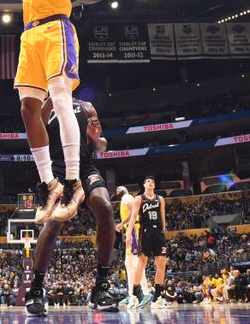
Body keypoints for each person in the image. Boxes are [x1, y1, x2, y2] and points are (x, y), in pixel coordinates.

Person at [0, 0, 85, 223]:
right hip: (29, 37)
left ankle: (74, 180)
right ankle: (50, 183)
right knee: (28, 108)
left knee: (61, 101)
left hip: (56, 30)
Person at [24, 97, 118, 315]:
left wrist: (95, 138)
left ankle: (101, 287)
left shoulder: (87, 106)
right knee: (54, 221)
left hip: (85, 168)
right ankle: (36, 289)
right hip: (57, 168)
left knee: (105, 207)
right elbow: (37, 137)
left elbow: (101, 146)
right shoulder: (47, 104)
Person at [126, 176, 169, 309]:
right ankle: (133, 294)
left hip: (159, 233)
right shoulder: (139, 199)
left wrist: (164, 232)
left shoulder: (160, 199)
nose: (151, 183)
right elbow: (133, 217)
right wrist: (129, 233)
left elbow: (163, 218)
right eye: (148, 182)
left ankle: (157, 296)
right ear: (144, 185)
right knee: (142, 261)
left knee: (161, 263)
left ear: (154, 186)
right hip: (146, 232)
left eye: (152, 182)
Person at [115, 186, 151, 308]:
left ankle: (146, 294)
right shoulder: (124, 199)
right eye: (116, 189)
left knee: (136, 264)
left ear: (125, 190)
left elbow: (134, 210)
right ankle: (132, 295)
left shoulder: (127, 197)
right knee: (129, 265)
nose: (118, 189)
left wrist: (121, 223)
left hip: (134, 230)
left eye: (120, 188)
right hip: (130, 232)